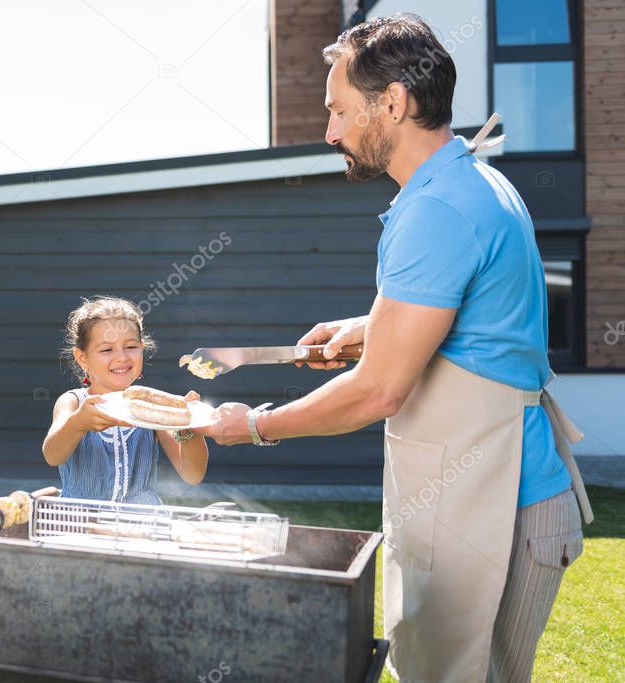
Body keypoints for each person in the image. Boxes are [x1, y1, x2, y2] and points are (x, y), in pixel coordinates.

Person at [195, 15, 592, 683]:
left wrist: (253, 426)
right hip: (496, 492)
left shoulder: (437, 209)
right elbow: (470, 319)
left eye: (338, 110)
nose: (329, 131)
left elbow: (378, 390)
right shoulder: (471, 181)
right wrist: (365, 327)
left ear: (393, 102)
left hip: (496, 505)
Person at [42, 296, 208, 504]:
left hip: (143, 526)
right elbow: (52, 455)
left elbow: (192, 475)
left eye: (130, 346)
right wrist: (77, 424)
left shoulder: (152, 406)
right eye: (106, 349)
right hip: (81, 526)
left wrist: (189, 428)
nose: (121, 357)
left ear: (141, 347)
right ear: (82, 357)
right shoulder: (73, 402)